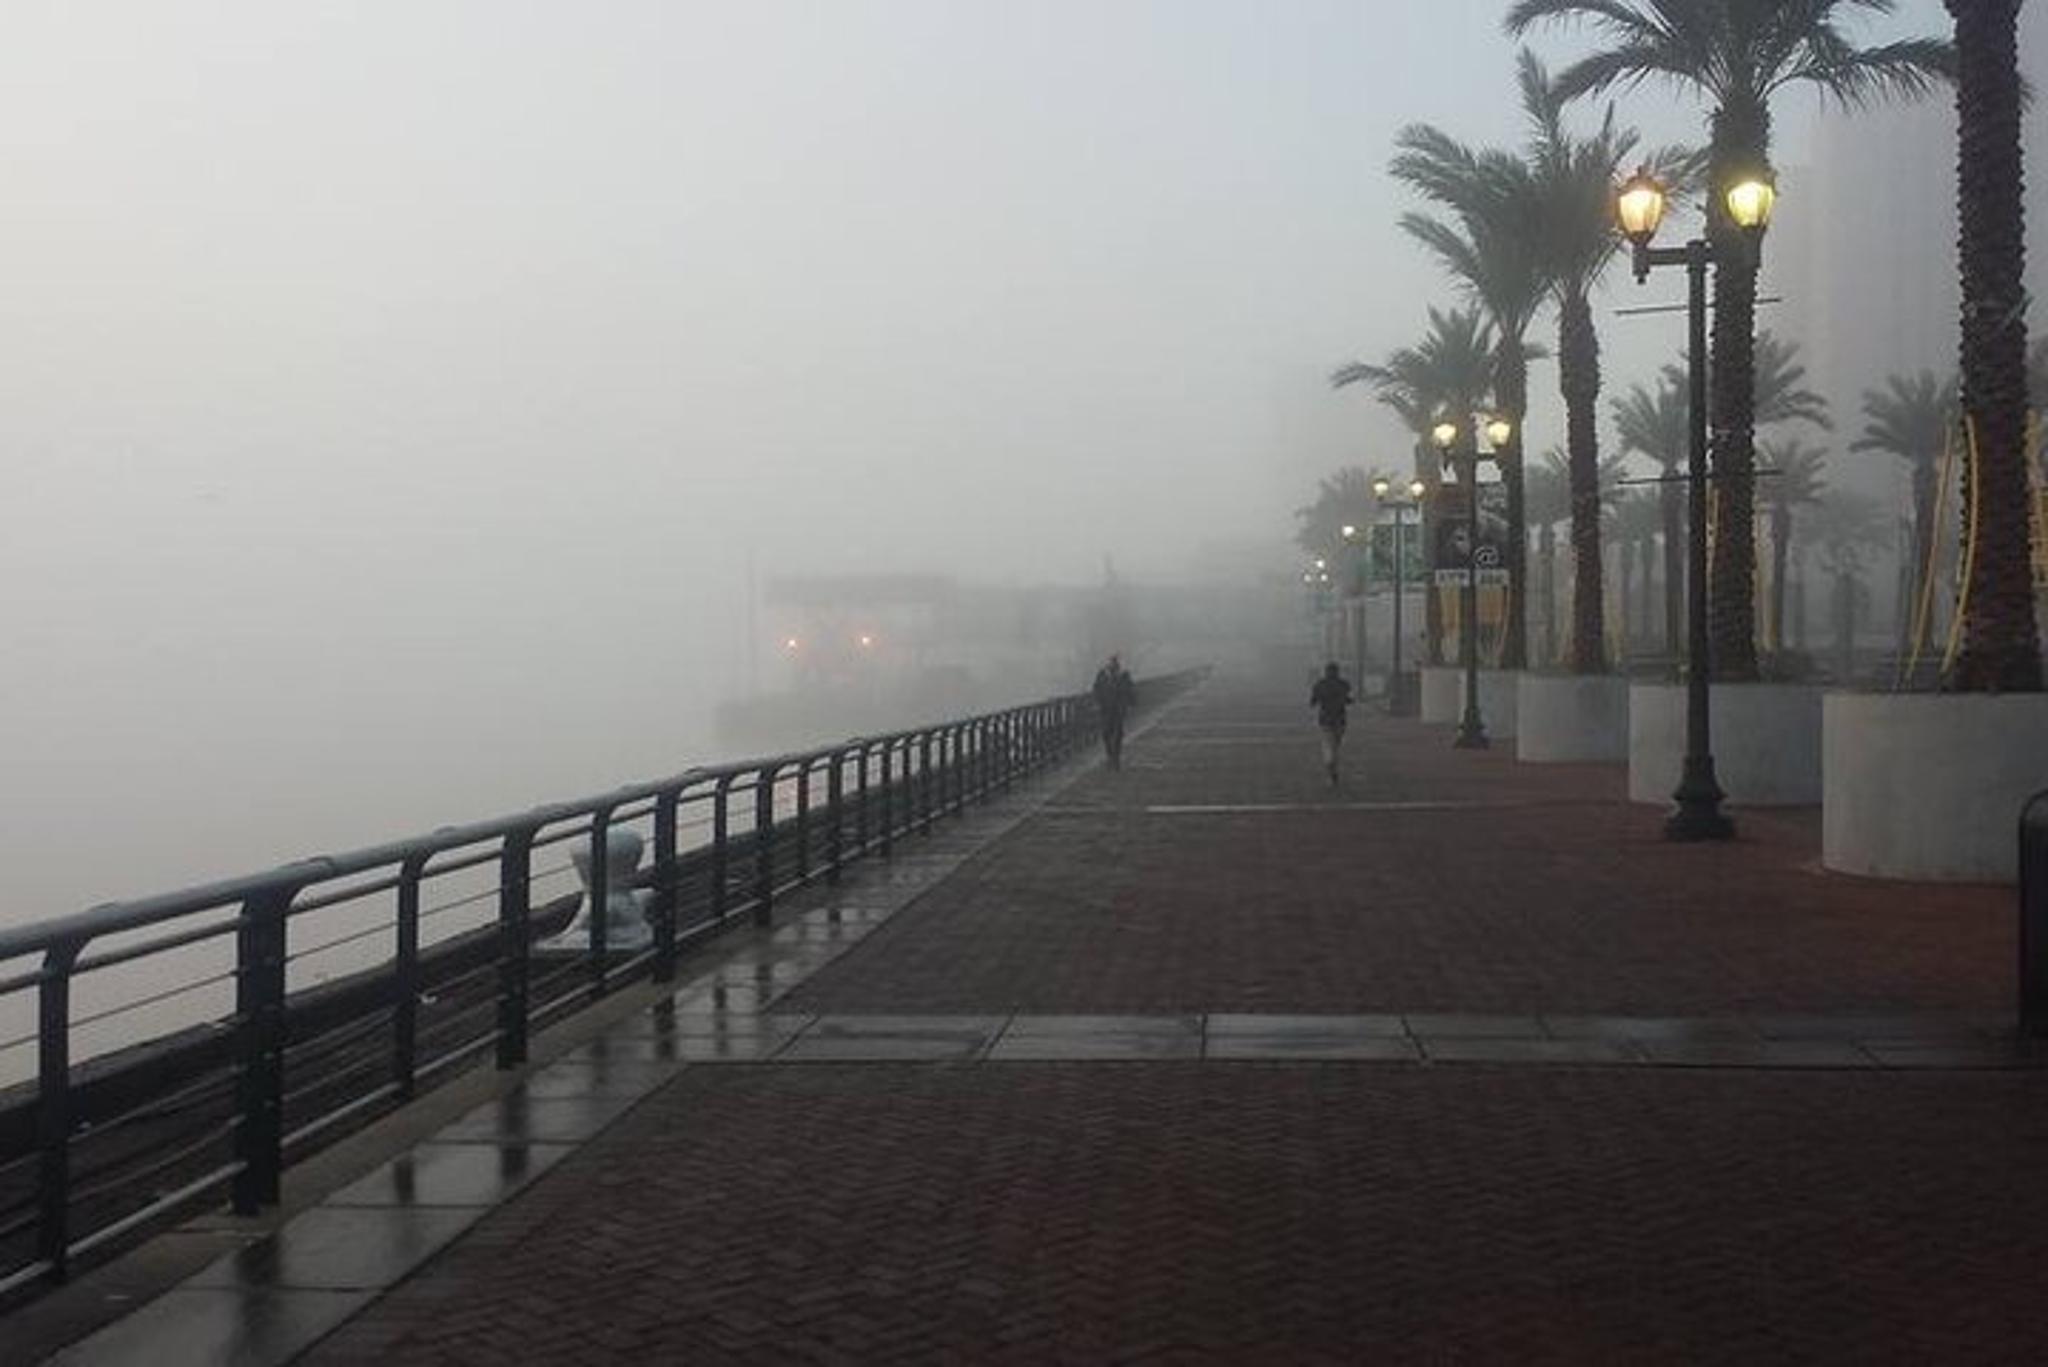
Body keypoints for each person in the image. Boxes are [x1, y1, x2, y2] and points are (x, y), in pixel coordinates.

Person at [1309, 661, 1352, 786]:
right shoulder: (1343, 684)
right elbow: (1348, 699)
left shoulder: (1320, 685)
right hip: (1340, 719)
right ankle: (1332, 764)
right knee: (1335, 744)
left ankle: (1330, 763)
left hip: (1325, 719)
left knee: (1328, 744)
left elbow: (1313, 702)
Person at [1092, 654, 1138, 769]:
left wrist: (1131, 704)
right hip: (1105, 709)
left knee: (1117, 733)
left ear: (1117, 664)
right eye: (1111, 662)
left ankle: (1115, 758)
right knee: (1106, 733)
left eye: (1114, 662)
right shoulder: (1102, 674)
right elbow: (1096, 689)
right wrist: (1097, 703)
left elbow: (1130, 689)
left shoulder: (1123, 675)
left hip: (1119, 709)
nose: (1112, 664)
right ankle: (1110, 755)